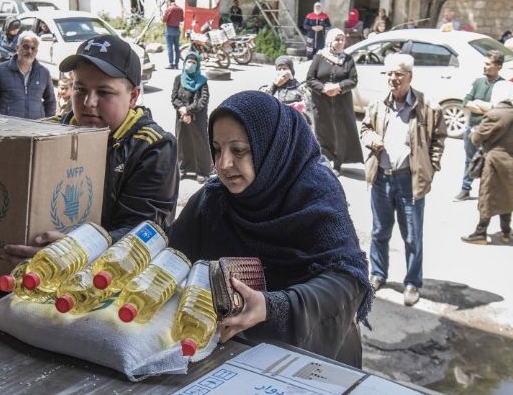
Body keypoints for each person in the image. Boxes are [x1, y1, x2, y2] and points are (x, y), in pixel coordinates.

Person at [0, 35, 179, 263]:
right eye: (80, 89)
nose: (89, 103)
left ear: (133, 96)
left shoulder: (152, 149)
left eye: (104, 92)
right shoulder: (45, 133)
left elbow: (144, 236)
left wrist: (77, 250)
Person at [168, 91, 372, 367]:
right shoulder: (213, 200)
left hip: (308, 362)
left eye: (238, 150)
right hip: (229, 358)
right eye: (217, 149)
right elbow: (172, 258)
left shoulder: (315, 195)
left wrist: (273, 306)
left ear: (271, 147)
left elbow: (346, 282)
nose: (223, 164)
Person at [360, 53, 447, 307]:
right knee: (379, 232)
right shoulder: (377, 104)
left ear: (410, 76)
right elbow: (365, 128)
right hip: (381, 178)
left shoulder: (428, 106)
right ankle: (378, 274)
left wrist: (432, 167)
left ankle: (412, 282)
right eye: (389, 73)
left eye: (398, 74)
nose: (393, 78)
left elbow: (439, 138)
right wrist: (370, 138)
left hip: (410, 181)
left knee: (412, 236)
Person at [306, 29, 363, 175]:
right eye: (337, 39)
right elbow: (310, 79)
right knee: (323, 132)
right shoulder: (319, 57)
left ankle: (338, 163)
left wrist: (338, 87)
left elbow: (353, 80)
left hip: (341, 103)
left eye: (342, 39)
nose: (340, 42)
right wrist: (324, 88)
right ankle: (325, 160)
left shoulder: (348, 59)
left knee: (341, 132)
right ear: (330, 41)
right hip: (321, 102)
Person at [461, 91, 513, 244]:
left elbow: (476, 139)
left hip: (494, 161)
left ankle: (480, 232)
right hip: (510, 161)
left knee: (487, 196)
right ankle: (506, 232)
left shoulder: (495, 114)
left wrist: (473, 133)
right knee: (507, 196)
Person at [454, 50, 505, 202]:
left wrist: (481, 106)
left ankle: (488, 192)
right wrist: (482, 107)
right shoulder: (477, 82)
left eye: (488, 64)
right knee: (470, 160)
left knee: (490, 162)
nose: (485, 67)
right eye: (485, 63)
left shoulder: (502, 86)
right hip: (472, 128)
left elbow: (498, 109)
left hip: (491, 131)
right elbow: (466, 101)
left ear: (498, 67)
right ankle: (465, 189)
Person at [0, 31, 56, 120]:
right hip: (8, 128)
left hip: (34, 128)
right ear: (17, 48)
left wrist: (46, 123)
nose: (29, 51)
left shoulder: (44, 73)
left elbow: (51, 101)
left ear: (36, 51)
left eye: (33, 48)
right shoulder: (1, 70)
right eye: (26, 47)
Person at [171, 51, 213, 184]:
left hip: (197, 117)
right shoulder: (178, 79)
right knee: (182, 142)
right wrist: (182, 110)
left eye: (194, 62)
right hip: (181, 117)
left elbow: (202, 101)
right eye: (189, 61)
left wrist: (187, 111)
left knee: (200, 143)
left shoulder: (202, 81)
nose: (191, 64)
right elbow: (174, 98)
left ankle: (203, 171)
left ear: (198, 65)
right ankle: (183, 169)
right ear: (184, 63)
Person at [266, 56, 311, 120]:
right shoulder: (274, 86)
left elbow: (309, 102)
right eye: (279, 69)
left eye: (284, 69)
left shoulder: (298, 86)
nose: (282, 72)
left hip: (295, 120)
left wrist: (300, 105)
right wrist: (275, 85)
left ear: (291, 71)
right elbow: (264, 99)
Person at [162, 0, 184, 69]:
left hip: (169, 30)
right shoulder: (180, 9)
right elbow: (182, 19)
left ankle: (171, 64)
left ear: (169, 1)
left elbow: (164, 20)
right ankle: (177, 64)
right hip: (177, 30)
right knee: (177, 48)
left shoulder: (169, 9)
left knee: (170, 48)